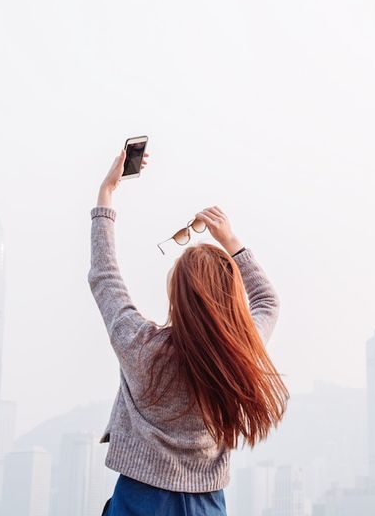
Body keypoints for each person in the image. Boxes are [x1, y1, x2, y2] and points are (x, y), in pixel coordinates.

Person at [88, 148, 288, 515]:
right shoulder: (238, 352)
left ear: (176, 295)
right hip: (206, 505)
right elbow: (267, 300)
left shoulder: (141, 345)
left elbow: (104, 276)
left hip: (140, 502)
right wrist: (231, 242)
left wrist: (107, 194)